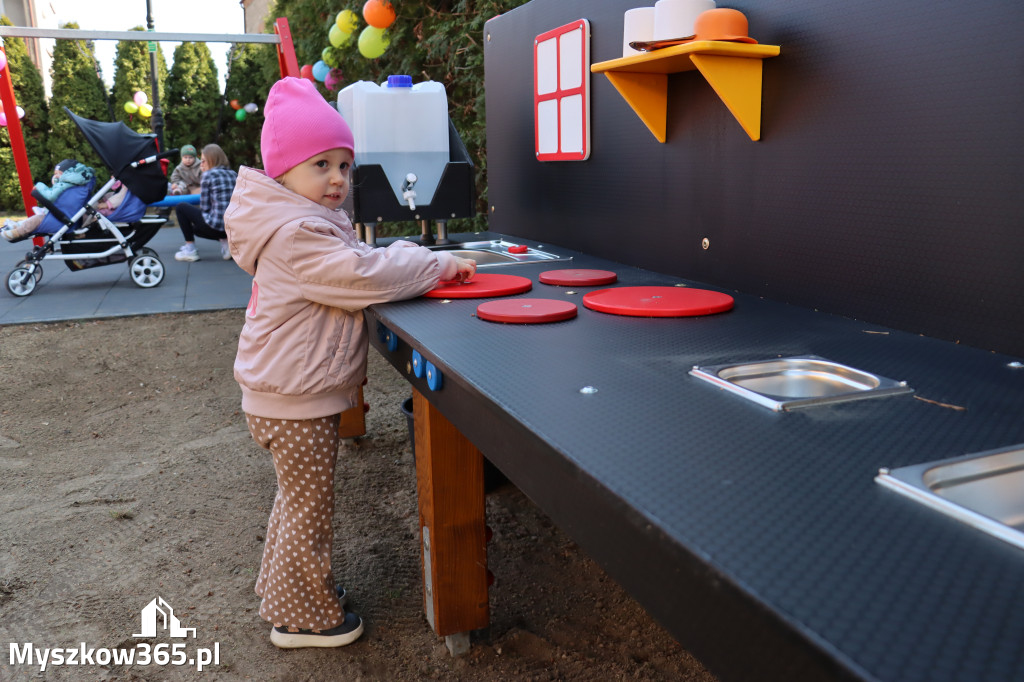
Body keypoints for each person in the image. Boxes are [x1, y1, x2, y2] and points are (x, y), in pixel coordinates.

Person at [224, 76, 476, 650]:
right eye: (321, 165)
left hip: (287, 391)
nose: (338, 178)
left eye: (344, 165)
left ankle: (282, 592)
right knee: (309, 510)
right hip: (294, 397)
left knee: (295, 502)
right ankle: (304, 619)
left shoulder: (307, 223)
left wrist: (416, 255)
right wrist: (435, 266)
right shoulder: (297, 234)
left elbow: (363, 256)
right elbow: (362, 275)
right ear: (283, 172)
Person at [1, 159, 94, 242]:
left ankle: (17, 232)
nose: (55, 176)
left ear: (66, 173)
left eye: (57, 174)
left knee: (36, 220)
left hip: (60, 219)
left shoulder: (65, 184)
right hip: (64, 214)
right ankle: (17, 225)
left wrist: (39, 186)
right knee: (37, 217)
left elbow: (50, 196)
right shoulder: (78, 184)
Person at [173, 144, 237, 261]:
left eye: (203, 161)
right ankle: (227, 243)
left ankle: (190, 249)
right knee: (200, 227)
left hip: (216, 226)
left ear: (211, 160)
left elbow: (205, 207)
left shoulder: (208, 175)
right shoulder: (233, 174)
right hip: (233, 227)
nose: (200, 165)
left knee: (181, 208)